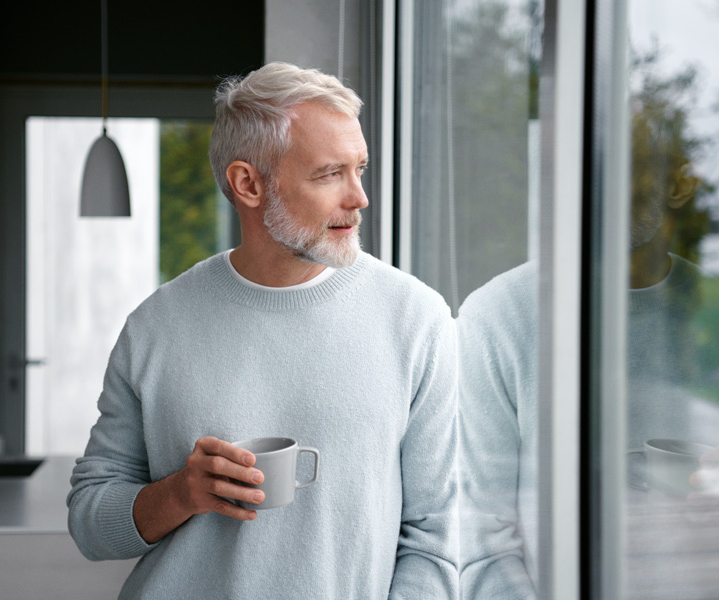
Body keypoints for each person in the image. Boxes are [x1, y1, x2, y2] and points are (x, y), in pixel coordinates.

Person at [67, 62, 461, 599]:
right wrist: (183, 493)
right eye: (329, 174)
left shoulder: (416, 320)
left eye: (360, 169)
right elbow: (90, 520)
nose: (359, 197)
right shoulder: (156, 326)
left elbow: (436, 538)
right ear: (247, 184)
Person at [456, 101, 719, 597]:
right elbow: (481, 539)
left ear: (676, 184)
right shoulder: (496, 318)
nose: (594, 186)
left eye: (623, 164)